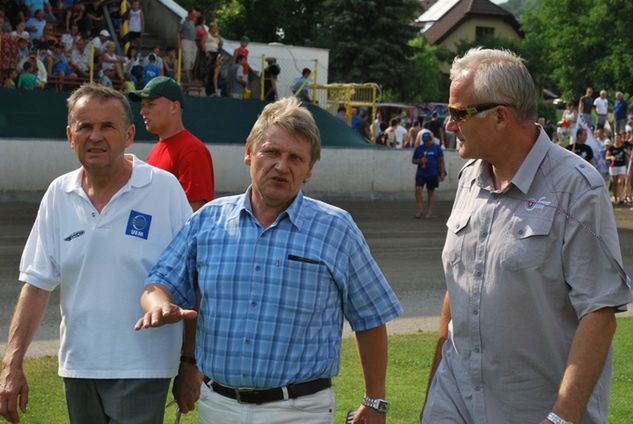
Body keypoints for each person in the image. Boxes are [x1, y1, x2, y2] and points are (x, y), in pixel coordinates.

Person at [134, 96, 403, 424]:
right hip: (219, 406)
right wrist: (159, 303)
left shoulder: (336, 228)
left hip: (300, 411)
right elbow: (158, 281)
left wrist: (374, 400)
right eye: (271, 152)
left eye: (295, 158)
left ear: (309, 170)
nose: (281, 166)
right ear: (249, 151)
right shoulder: (208, 221)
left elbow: (371, 318)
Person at [422, 48, 633, 424]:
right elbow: (458, 286)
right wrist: (433, 397)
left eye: (458, 113)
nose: (449, 124)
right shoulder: (469, 178)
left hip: (532, 410)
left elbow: (599, 313)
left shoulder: (576, 187)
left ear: (501, 116)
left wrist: (561, 417)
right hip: (453, 403)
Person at [0, 84, 192, 424]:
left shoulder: (163, 189)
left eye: (107, 126)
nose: (95, 136)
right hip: (78, 366)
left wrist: (190, 363)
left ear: (129, 134)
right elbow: (36, 283)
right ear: (70, 136)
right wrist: (12, 364)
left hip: (143, 367)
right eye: (84, 126)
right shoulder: (60, 193)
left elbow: (194, 279)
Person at [129, 76, 214, 211]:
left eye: (150, 104)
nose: (142, 112)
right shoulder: (158, 148)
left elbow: (195, 214)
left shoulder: (193, 150)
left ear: (174, 107)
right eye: (142, 105)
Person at [412, 131, 445, 219]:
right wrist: (419, 161)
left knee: (431, 192)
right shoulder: (419, 148)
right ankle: (420, 209)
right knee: (418, 189)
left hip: (433, 173)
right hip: (421, 173)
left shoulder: (437, 148)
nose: (426, 143)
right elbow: (413, 160)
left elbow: (441, 161)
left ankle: (429, 211)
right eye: (424, 141)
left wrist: (442, 172)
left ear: (431, 140)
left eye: (427, 141)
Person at [177, 8, 199, 82]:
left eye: (195, 15)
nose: (194, 16)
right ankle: (188, 78)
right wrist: (179, 44)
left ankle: (188, 75)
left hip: (193, 42)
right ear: (189, 14)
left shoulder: (192, 22)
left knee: (192, 61)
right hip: (185, 41)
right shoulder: (183, 21)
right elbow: (178, 33)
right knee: (187, 60)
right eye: (193, 15)